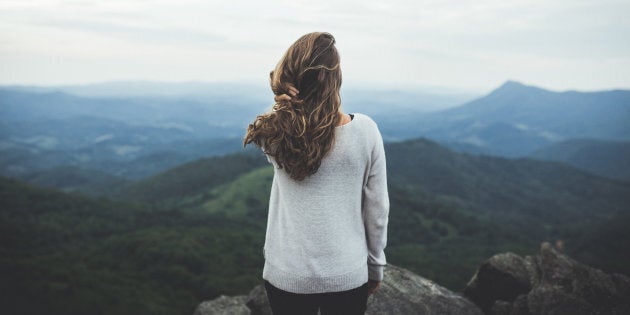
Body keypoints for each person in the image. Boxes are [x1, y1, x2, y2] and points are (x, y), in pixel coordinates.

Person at [243, 32, 389, 315]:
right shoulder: (366, 132)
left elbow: (277, 121)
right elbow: (377, 210)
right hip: (347, 274)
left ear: (290, 78)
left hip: (287, 275)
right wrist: (375, 267)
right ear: (336, 78)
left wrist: (278, 95)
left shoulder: (275, 134)